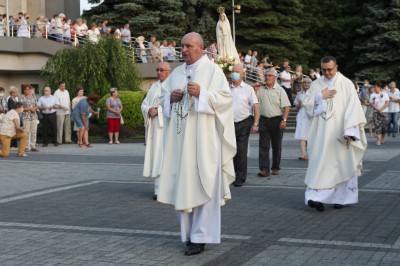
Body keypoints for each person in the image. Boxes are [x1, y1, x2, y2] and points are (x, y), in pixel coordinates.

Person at [158, 32, 236, 256]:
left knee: (204, 184)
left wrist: (203, 94)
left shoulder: (213, 71)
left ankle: (201, 237)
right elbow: (163, 100)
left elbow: (225, 101)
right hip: (181, 143)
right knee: (184, 186)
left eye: (189, 46)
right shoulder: (177, 73)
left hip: (204, 142)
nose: (184, 50)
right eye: (182, 46)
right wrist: (169, 99)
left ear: (201, 47)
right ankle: (188, 236)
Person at [303, 56, 367, 212]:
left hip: (340, 133)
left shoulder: (346, 84)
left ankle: (342, 199)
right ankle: (315, 198)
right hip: (321, 135)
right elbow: (307, 104)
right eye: (324, 70)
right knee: (320, 164)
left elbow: (353, 108)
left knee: (342, 164)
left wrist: (350, 131)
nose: (327, 72)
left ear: (336, 67)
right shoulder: (316, 84)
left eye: (330, 69)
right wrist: (320, 97)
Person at [141, 62, 171, 200]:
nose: (158, 72)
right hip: (154, 128)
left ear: (168, 72)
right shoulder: (153, 86)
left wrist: (158, 110)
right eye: (157, 70)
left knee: (166, 158)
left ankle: (169, 189)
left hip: (166, 128)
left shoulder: (173, 86)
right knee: (157, 157)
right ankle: (158, 190)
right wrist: (148, 110)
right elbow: (145, 103)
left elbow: (174, 104)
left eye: (162, 70)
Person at [256, 68, 291, 177]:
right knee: (263, 146)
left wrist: (284, 120)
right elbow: (255, 103)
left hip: (277, 120)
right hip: (263, 120)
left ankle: (275, 167)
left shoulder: (280, 90)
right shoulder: (260, 90)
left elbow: (287, 106)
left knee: (276, 146)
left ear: (275, 77)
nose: (267, 77)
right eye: (266, 75)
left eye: (270, 75)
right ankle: (264, 169)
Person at [230, 64, 260, 187]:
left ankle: (240, 178)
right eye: (233, 71)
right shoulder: (227, 88)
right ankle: (231, 174)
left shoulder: (248, 89)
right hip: (230, 124)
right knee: (231, 150)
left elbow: (256, 106)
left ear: (242, 74)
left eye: (237, 71)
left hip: (244, 122)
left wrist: (256, 123)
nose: (234, 73)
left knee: (241, 150)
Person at [293, 78, 312, 160]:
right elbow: (296, 106)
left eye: (308, 83)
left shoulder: (314, 93)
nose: (306, 84)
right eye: (305, 82)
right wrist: (299, 105)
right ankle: (303, 153)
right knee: (302, 135)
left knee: (310, 135)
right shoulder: (299, 94)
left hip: (311, 116)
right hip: (302, 115)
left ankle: (309, 153)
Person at [20, 84, 39, 152]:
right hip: (26, 117)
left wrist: (35, 108)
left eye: (28, 89)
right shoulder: (22, 98)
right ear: (24, 90)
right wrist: (30, 109)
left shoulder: (34, 96)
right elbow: (21, 108)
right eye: (25, 89)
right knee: (26, 132)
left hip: (34, 116)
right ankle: (25, 146)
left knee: (34, 131)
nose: (27, 90)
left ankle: (33, 145)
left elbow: (37, 105)